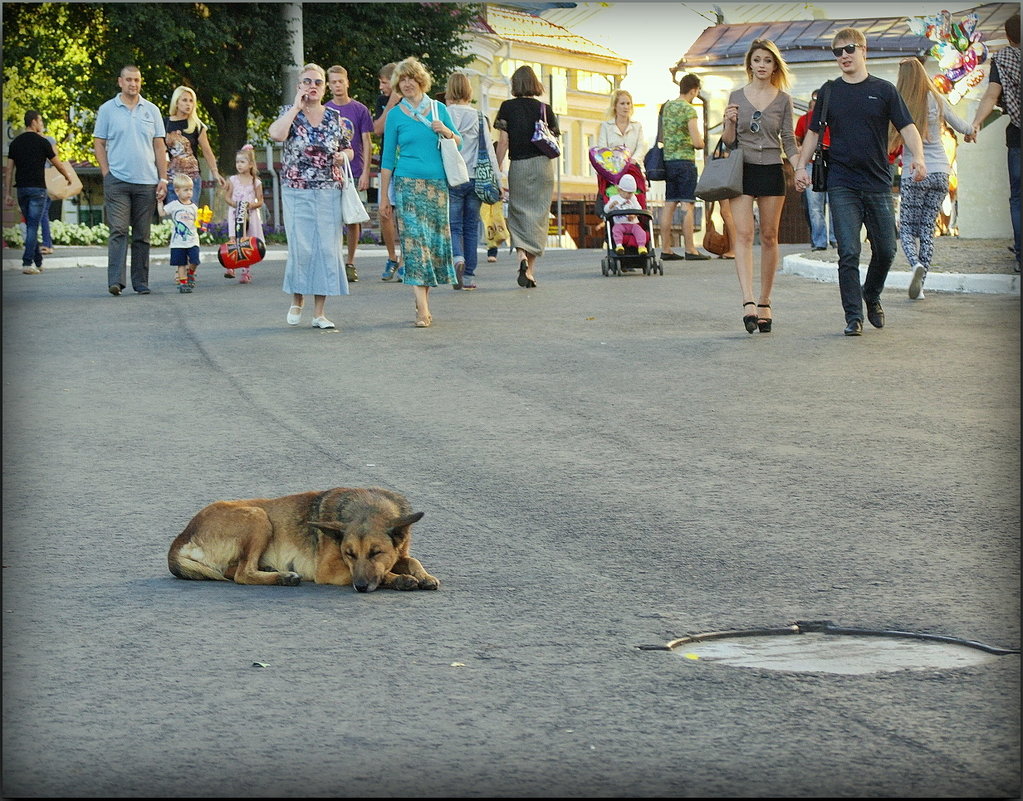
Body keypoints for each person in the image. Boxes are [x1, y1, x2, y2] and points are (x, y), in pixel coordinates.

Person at [794, 28, 927, 336]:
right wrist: (801, 166)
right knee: (849, 251)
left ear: (863, 50)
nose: (844, 56)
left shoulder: (884, 90)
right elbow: (813, 133)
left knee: (886, 250)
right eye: (837, 52)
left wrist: (918, 157)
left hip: (878, 182)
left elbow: (907, 127)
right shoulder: (829, 91)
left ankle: (871, 294)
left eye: (849, 49)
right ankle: (853, 317)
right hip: (842, 183)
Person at [722, 39, 799, 334]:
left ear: (774, 65)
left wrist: (800, 166)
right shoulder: (736, 95)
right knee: (742, 235)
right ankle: (748, 301)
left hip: (771, 169)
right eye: (757, 60)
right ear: (750, 64)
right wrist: (728, 121)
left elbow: (788, 140)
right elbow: (729, 141)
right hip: (742, 170)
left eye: (768, 60)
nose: (762, 65)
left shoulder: (783, 99)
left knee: (768, 236)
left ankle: (766, 300)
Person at [268, 62, 353, 330]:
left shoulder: (335, 118)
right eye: (307, 82)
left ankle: (319, 312)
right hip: (297, 189)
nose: (312, 86)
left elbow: (349, 150)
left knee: (327, 250)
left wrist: (343, 156)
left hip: (329, 189)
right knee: (301, 247)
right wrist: (295, 107)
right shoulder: (290, 113)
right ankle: (297, 300)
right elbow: (276, 134)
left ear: (324, 87)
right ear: (299, 86)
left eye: (317, 82)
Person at [379, 57, 460, 327]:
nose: (407, 83)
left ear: (421, 80)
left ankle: (421, 300)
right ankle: (423, 309)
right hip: (407, 185)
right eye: (402, 80)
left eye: (411, 78)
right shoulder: (394, 115)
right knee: (414, 244)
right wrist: (383, 198)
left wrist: (446, 131)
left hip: (437, 185)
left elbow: (458, 141)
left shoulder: (438, 109)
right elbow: (387, 159)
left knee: (432, 244)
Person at [890, 57, 975, 300]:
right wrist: (973, 130)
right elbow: (959, 124)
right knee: (927, 229)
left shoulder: (900, 102)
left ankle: (915, 264)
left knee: (906, 228)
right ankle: (922, 284)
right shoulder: (936, 98)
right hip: (940, 172)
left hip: (914, 171)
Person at [93, 65, 168, 296]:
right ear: (120, 82)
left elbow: (159, 146)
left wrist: (163, 178)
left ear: (140, 82)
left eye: (136, 80)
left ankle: (141, 282)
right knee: (118, 230)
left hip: (146, 181)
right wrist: (106, 173)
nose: (132, 84)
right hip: (117, 180)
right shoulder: (107, 110)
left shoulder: (152, 110)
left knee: (142, 234)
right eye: (128, 80)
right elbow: (99, 143)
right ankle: (115, 281)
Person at [494, 64, 561, 288]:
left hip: (519, 166)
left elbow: (503, 142)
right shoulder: (545, 108)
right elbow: (554, 141)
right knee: (538, 218)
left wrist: (497, 168)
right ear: (535, 84)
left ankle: (521, 255)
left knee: (518, 214)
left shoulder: (507, 108)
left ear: (515, 84)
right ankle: (530, 272)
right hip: (543, 167)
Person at [971, 12, 1020, 272]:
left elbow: (992, 95)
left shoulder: (1003, 59)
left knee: (1018, 199)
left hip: (1018, 137)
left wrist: (977, 122)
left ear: (1009, 36)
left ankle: (1021, 255)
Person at [445, 71, 499, 291]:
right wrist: (497, 179)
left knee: (454, 226)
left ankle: (457, 258)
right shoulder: (478, 116)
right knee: (471, 227)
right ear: (469, 91)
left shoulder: (444, 114)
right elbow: (489, 150)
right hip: (477, 178)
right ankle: (468, 277)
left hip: (453, 177)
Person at [4, 110, 74, 274]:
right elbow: (57, 162)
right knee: (33, 226)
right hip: (38, 190)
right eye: (40, 121)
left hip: (21, 190)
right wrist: (67, 177)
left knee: (30, 225)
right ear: (33, 122)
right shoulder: (42, 142)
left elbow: (9, 170)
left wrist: (7, 193)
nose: (41, 125)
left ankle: (38, 261)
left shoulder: (15, 143)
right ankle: (27, 262)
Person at [326, 65, 374, 283]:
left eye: (340, 81)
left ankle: (350, 262)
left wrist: (366, 173)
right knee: (332, 219)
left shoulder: (359, 110)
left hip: (353, 171)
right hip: (331, 172)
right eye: (333, 82)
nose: (337, 85)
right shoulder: (325, 110)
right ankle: (333, 260)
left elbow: (366, 141)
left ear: (347, 82)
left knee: (353, 218)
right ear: (328, 85)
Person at [658, 73, 709, 260]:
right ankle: (690, 249)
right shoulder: (689, 110)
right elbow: (696, 141)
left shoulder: (668, 106)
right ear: (694, 90)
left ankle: (666, 249)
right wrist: (702, 143)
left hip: (668, 161)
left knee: (670, 203)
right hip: (685, 162)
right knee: (687, 204)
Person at [164, 85, 224, 206]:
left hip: (191, 179)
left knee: (189, 216)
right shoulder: (165, 123)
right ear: (176, 102)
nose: (188, 104)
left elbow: (207, 151)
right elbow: (160, 150)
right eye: (184, 100)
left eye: (191, 101)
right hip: (172, 179)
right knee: (174, 215)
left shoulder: (197, 125)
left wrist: (215, 172)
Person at [794, 88, 835, 251]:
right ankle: (819, 241)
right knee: (815, 206)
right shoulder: (805, 119)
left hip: (832, 161)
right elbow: (797, 139)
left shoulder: (834, 116)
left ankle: (834, 238)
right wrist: (801, 156)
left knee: (835, 203)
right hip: (813, 163)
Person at [373, 62, 403, 281]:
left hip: (408, 162)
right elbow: (378, 129)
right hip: (388, 162)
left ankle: (405, 259)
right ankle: (391, 256)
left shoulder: (413, 100)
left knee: (405, 214)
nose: (381, 87)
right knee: (385, 212)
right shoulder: (383, 101)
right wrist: (391, 101)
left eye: (384, 83)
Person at [222, 144, 265, 284]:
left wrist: (251, 205)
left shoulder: (255, 182)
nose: (239, 165)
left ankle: (246, 272)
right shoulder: (233, 180)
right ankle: (231, 266)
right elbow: (227, 197)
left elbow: (260, 200)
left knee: (246, 242)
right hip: (235, 214)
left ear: (251, 164)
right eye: (237, 162)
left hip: (250, 215)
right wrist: (235, 204)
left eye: (242, 162)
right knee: (234, 239)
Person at [157, 173, 201, 293]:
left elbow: (199, 221)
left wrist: (203, 222)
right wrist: (160, 202)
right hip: (178, 242)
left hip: (192, 240)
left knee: (195, 260)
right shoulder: (174, 205)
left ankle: (190, 272)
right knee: (181, 263)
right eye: (186, 190)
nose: (189, 193)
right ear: (177, 191)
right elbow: (162, 213)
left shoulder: (194, 207)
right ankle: (183, 283)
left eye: (191, 190)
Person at [597, 89, 648, 165]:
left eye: (628, 103)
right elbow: (602, 148)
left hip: (633, 167)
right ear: (615, 106)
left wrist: (634, 160)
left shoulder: (637, 126)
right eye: (622, 103)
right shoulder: (606, 126)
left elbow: (641, 147)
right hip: (613, 169)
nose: (626, 107)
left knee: (629, 177)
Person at [604, 173, 647, 254]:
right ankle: (619, 246)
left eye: (631, 193)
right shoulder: (614, 198)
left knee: (640, 231)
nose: (629, 195)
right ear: (620, 190)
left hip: (633, 224)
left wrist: (634, 215)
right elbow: (606, 210)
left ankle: (641, 246)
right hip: (620, 223)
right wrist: (611, 206)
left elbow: (639, 208)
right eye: (627, 193)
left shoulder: (633, 198)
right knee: (616, 230)